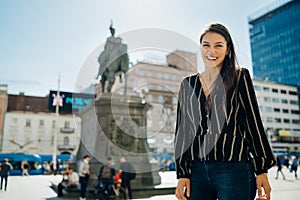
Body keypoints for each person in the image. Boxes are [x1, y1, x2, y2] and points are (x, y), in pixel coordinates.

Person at [174, 23, 277, 200]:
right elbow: (183, 132)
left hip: (234, 169)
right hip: (198, 171)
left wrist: (261, 169)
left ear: (228, 49)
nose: (211, 51)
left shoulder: (240, 78)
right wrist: (182, 173)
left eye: (218, 45)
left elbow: (253, 123)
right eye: (206, 45)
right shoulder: (187, 85)